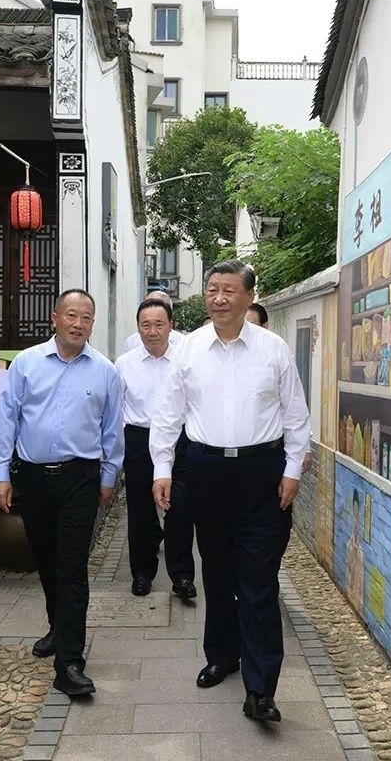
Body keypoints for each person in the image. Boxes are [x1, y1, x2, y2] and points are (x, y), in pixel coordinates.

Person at [150, 259, 310, 723]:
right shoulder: (189, 350)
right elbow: (168, 414)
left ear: (249, 297)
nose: (219, 298)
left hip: (262, 474)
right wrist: (162, 468)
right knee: (217, 573)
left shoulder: (273, 349)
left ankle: (261, 689)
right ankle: (222, 655)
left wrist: (293, 469)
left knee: (259, 580)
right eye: (212, 289)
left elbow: (295, 414)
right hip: (207, 472)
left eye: (229, 290)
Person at [0, 289, 124, 698]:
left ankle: (70, 662)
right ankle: (57, 626)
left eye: (86, 317)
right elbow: (6, 419)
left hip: (81, 478)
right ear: (55, 318)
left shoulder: (105, 371)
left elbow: (112, 430)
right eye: (71, 315)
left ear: (92, 323)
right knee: (46, 560)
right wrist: (0, 473)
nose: (78, 324)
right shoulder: (26, 364)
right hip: (34, 477)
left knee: (72, 566)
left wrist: (108, 477)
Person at [115, 298, 195, 599]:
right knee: (140, 509)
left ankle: (182, 576)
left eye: (159, 324)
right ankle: (142, 572)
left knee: (180, 508)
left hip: (180, 440)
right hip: (139, 440)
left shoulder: (185, 359)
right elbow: (116, 408)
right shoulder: (125, 364)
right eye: (145, 325)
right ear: (138, 328)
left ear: (171, 326)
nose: (152, 331)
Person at [245, 302, 314, 475]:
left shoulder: (277, 354)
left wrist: (304, 448)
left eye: (251, 326)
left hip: (270, 450)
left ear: (265, 326)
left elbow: (294, 403)